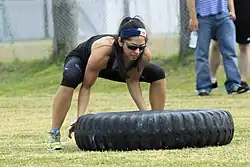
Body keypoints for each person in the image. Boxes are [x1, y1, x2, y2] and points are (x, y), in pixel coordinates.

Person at [47, 16, 166, 150]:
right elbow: (86, 87)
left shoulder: (143, 55)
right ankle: (54, 133)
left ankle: (158, 123)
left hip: (113, 66)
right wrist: (81, 120)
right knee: (70, 77)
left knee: (158, 73)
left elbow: (132, 81)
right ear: (121, 41)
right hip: (84, 61)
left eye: (141, 47)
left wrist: (147, 117)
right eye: (132, 47)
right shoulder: (103, 50)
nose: (137, 52)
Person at [187, 0, 248, 96]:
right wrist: (193, 18)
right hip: (203, 17)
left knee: (230, 52)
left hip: (223, 15)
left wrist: (232, 11)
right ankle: (203, 87)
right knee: (202, 54)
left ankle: (234, 84)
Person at [209, 0, 250, 91]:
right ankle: (211, 79)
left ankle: (242, 81)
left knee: (244, 45)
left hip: (243, 7)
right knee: (216, 44)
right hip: (222, 5)